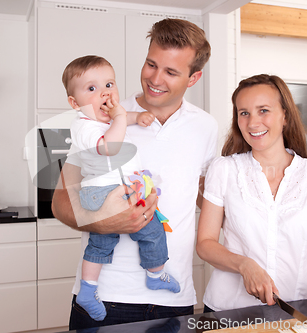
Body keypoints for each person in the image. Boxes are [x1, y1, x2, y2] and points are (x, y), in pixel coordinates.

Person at [52, 18, 218, 330]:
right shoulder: (103, 115)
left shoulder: (206, 127)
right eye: (151, 64)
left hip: (175, 299)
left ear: (193, 78)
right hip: (107, 297)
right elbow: (61, 202)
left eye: (171, 71)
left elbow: (204, 196)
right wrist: (104, 222)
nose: (155, 78)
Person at [196, 74, 307, 333]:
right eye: (244, 113)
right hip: (227, 313)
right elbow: (205, 244)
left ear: (285, 115)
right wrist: (244, 265)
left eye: (263, 110)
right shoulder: (223, 170)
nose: (253, 122)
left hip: (294, 316)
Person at [61, 55, 181, 322]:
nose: (104, 93)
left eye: (109, 84)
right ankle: (155, 273)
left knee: (103, 243)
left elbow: (123, 121)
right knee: (151, 229)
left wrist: (138, 117)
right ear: (74, 103)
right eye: (91, 89)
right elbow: (109, 147)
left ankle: (88, 289)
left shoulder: (106, 120)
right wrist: (120, 117)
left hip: (108, 191)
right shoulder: (84, 126)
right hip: (104, 193)